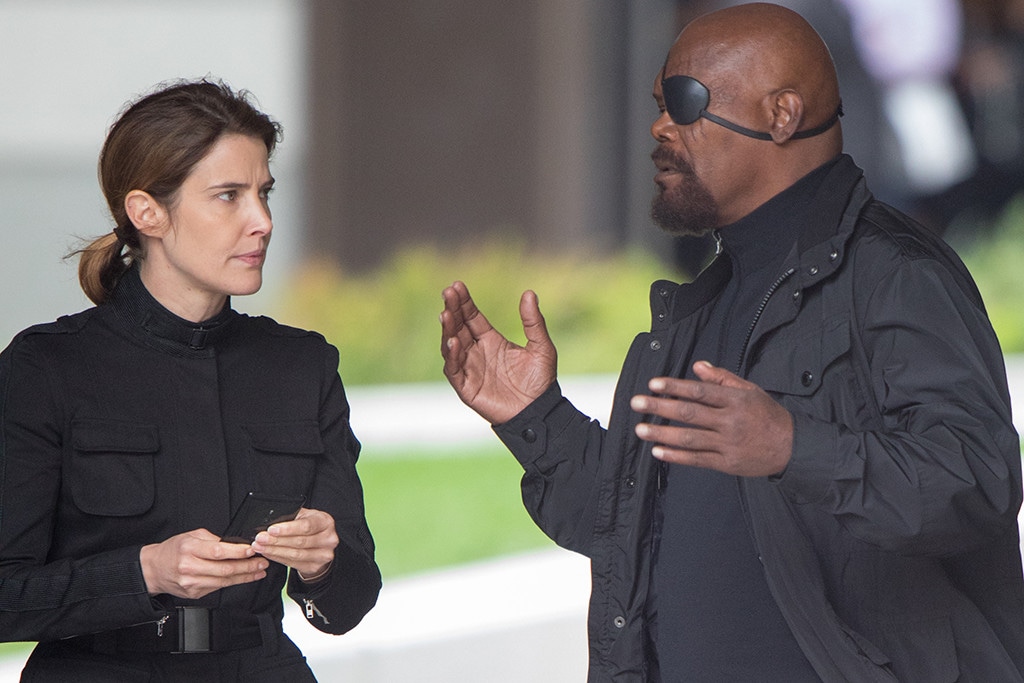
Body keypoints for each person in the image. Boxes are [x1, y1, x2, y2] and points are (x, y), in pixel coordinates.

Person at [440, 3, 1024, 680]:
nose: (660, 125)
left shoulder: (897, 274)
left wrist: (792, 446)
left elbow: (976, 484)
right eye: (659, 102)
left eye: (685, 102)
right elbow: (635, 532)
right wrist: (534, 418)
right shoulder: (697, 309)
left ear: (781, 114)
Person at [0, 79, 381, 681]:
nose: (262, 221)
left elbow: (350, 604)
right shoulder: (47, 367)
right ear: (146, 212)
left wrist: (320, 564)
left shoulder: (302, 366)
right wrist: (145, 571)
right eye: (228, 195)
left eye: (264, 193)